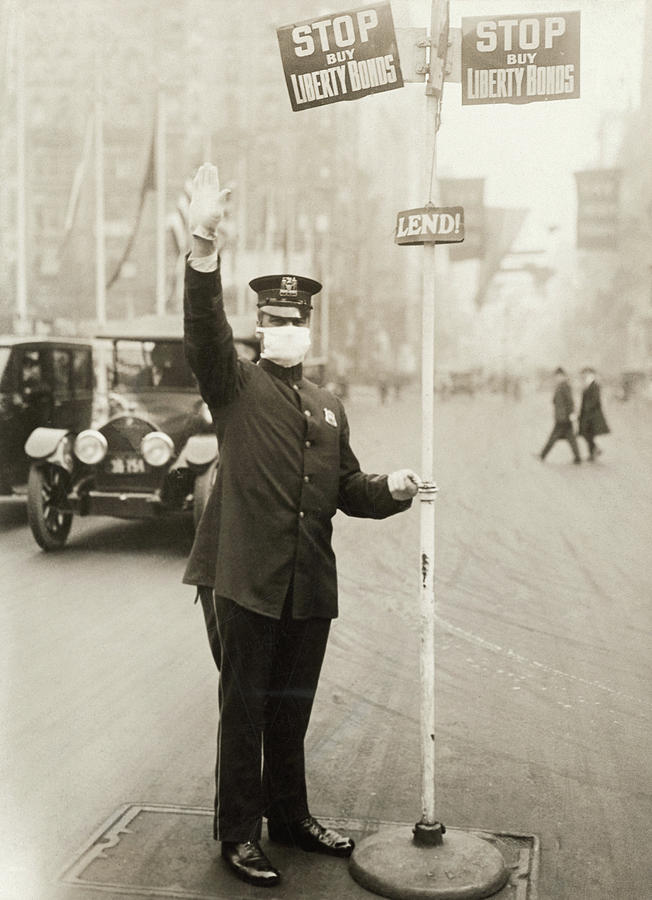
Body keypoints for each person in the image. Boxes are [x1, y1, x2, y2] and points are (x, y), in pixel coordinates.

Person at [182, 163, 420, 889]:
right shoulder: (236, 384)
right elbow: (202, 331)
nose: (286, 330)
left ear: (309, 330)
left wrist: (393, 488)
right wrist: (203, 246)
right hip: (245, 579)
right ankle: (239, 835)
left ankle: (290, 818)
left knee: (291, 712)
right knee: (245, 713)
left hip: (307, 586)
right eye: (274, 321)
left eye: (297, 322)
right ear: (260, 328)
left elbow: (345, 486)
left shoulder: (327, 403)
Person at [539, 366, 582, 464]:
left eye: (558, 376)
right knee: (571, 438)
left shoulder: (565, 386)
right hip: (562, 416)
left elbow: (570, 401)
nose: (556, 378)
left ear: (562, 376)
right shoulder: (561, 385)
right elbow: (556, 400)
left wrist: (571, 413)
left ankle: (542, 455)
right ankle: (577, 457)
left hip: (563, 417)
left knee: (553, 437)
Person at [578, 366, 610, 461]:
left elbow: (595, 400)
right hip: (587, 414)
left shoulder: (595, 385)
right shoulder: (587, 385)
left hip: (592, 415)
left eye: (586, 373)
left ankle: (594, 451)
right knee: (587, 433)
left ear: (591, 374)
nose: (584, 375)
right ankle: (594, 451)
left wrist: (587, 409)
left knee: (587, 433)